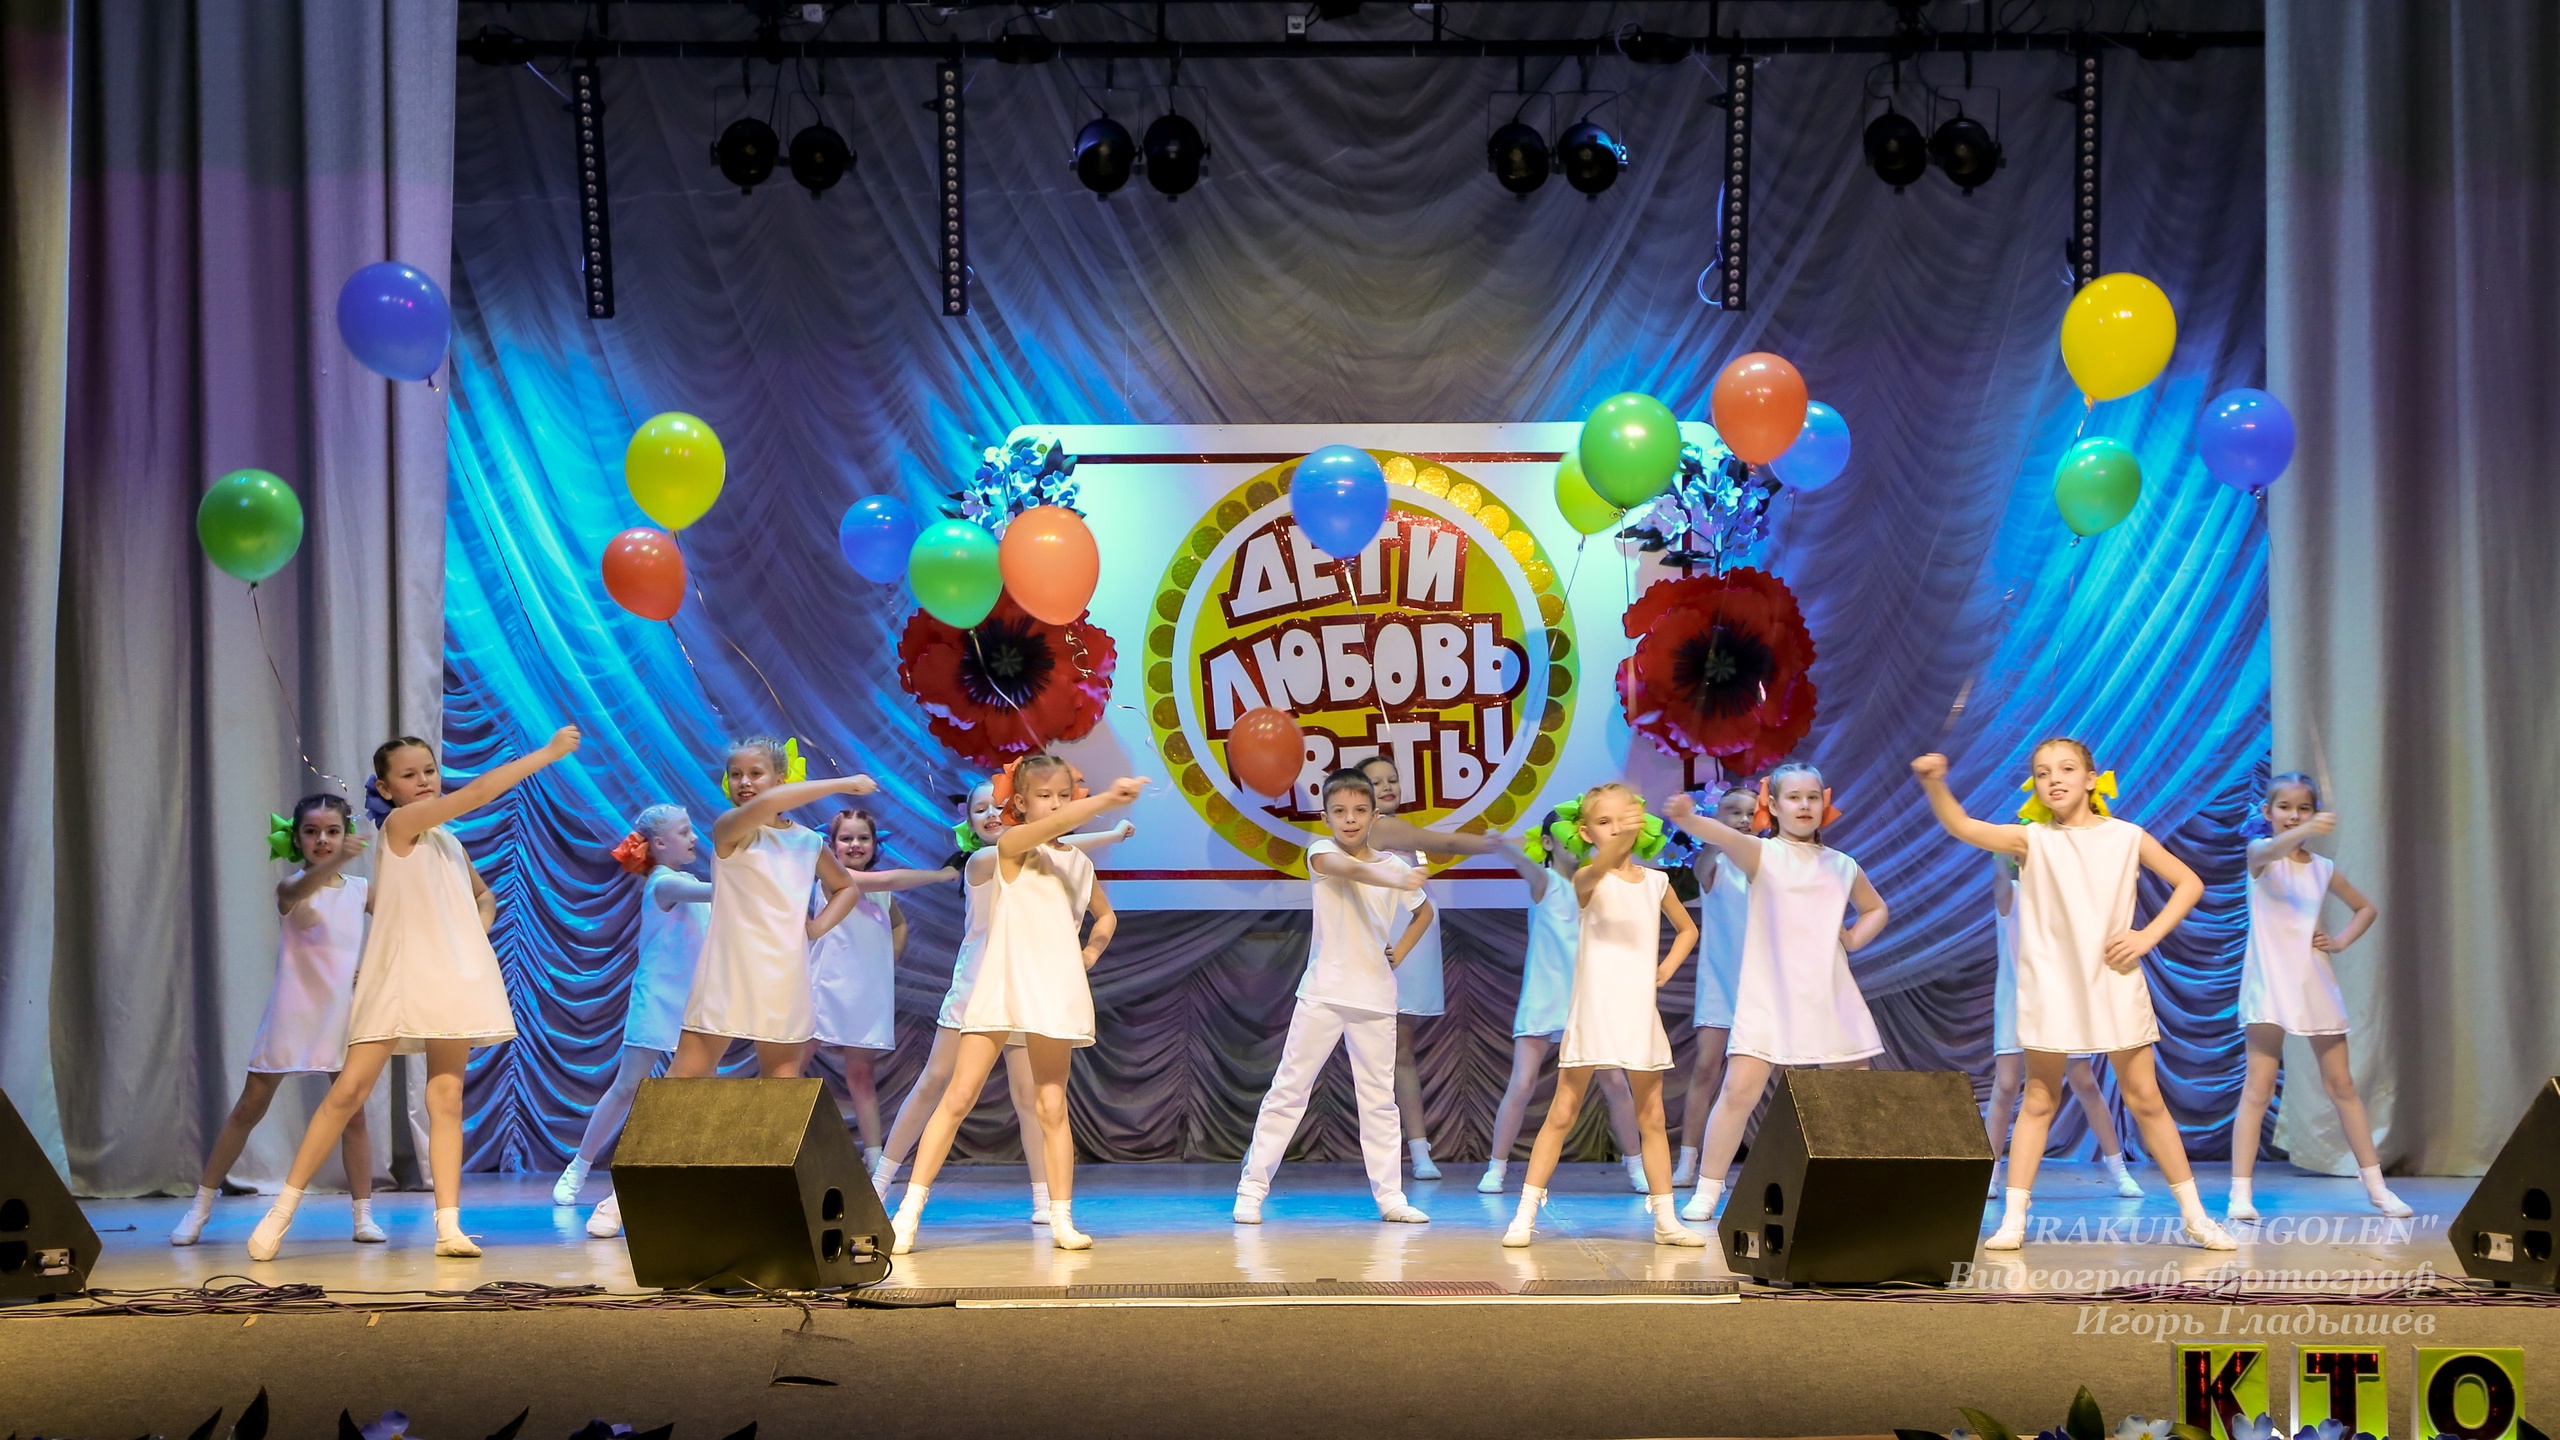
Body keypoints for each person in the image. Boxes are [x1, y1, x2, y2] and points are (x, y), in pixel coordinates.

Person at [248, 727, 581, 1260]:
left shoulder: (448, 841)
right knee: (348, 1092)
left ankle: (448, 1226)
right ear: (386, 789)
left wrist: (471, 934)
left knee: (446, 1097)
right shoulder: (401, 826)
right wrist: (547, 754)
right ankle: (281, 1212)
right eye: (409, 775)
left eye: (429, 770)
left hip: (449, 978)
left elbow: (485, 896)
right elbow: (477, 793)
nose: (424, 780)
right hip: (400, 977)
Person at [1911, 743, 2235, 1251]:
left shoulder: (2126, 836)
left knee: (2145, 1098)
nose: (2054, 779)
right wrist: (1935, 784)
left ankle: (2196, 1217)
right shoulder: (2031, 839)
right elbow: (1964, 826)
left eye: (2066, 769)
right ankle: (2014, 1218)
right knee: (2040, 1098)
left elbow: (2188, 883)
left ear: (2090, 779)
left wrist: (2147, 936)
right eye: (2042, 773)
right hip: (2051, 987)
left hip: (2113, 979)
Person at [584, 738, 876, 1240]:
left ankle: (771, 1202)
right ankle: (623, 1196)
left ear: (780, 777)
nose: (744, 782)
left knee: (780, 1092)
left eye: (756, 773)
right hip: (727, 971)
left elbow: (846, 887)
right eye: (736, 773)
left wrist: (814, 928)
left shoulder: (808, 843)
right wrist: (844, 783)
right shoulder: (730, 830)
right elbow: (767, 807)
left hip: (782, 976)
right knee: (680, 1087)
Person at [889, 756, 1140, 1254]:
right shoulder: (1010, 848)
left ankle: (1061, 1217)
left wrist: (1088, 954)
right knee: (959, 1096)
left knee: (1051, 1103)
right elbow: (1048, 831)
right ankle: (908, 1212)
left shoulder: (1078, 862)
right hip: (1000, 987)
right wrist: (1109, 801)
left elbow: (1106, 916)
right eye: (1044, 796)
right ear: (1020, 803)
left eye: (1064, 795)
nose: (1056, 805)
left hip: (1051, 993)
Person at [1664, 765, 1890, 1222]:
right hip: (1769, 992)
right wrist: (1687, 818)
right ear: (1774, 805)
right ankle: (1707, 1190)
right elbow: (1719, 834)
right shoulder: (1763, 854)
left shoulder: (1842, 865)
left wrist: (1852, 938)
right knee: (1738, 1090)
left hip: (1829, 991)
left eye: (1812, 797)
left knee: (1852, 1094)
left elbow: (1876, 908)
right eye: (1794, 797)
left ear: (1824, 803)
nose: (1804, 805)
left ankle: (1851, 1184)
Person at [1499, 783, 1705, 1249]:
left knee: (1652, 1115)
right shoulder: (1586, 879)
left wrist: (1666, 969)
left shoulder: (1656, 882)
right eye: (1604, 822)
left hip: (1637, 1011)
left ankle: (1666, 1219)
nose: (1616, 829)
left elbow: (1687, 929)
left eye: (1624, 819)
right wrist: (1620, 838)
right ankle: (1525, 1213)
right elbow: (1599, 870)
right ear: (1586, 832)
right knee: (1562, 1111)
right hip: (1593, 1010)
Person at [171, 795, 380, 1247]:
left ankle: (363, 1216)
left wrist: (372, 969)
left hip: (341, 1014)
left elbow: (396, 926)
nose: (322, 840)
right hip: (293, 1011)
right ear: (296, 838)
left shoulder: (361, 889)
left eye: (332, 831)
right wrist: (337, 860)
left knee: (354, 1115)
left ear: (346, 833)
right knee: (249, 1107)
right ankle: (199, 1208)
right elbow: (300, 892)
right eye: (311, 832)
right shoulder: (291, 886)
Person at [1235, 769, 1436, 1226]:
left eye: (1360, 811)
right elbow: (1348, 869)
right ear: (1326, 817)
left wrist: (1400, 951)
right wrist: (1397, 880)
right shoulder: (1321, 852)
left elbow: (1424, 912)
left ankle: (1391, 1198)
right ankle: (1251, 1190)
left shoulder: (1395, 867)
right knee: (1289, 1090)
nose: (1350, 819)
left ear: (1374, 815)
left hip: (1375, 996)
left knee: (1379, 1101)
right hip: (1323, 993)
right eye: (1340, 811)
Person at [2228, 773, 2408, 1221]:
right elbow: (2272, 850)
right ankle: (2239, 1194)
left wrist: (2341, 941)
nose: (2293, 815)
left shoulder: (2322, 868)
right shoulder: (2260, 854)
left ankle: (2378, 1190)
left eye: (2303, 808)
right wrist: (2307, 829)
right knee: (2257, 1088)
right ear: (2267, 812)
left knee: (2342, 1086)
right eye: (2285, 807)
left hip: (2313, 982)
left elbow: (2366, 908)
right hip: (2269, 984)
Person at [1480, 811, 1649, 1196]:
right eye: (1566, 834)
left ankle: (1636, 1165)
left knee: (1615, 1083)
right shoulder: (1547, 882)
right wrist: (1502, 846)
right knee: (1522, 1082)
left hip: (1590, 1000)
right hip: (1545, 997)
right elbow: (1524, 865)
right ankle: (1496, 1168)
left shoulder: (1600, 885)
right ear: (1547, 842)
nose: (1576, 841)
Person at [552, 805, 709, 1213]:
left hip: (695, 999)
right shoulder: (664, 883)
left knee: (692, 1091)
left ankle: (674, 1174)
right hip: (657, 997)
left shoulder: (687, 879)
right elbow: (718, 892)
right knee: (627, 1086)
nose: (694, 837)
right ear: (659, 844)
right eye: (684, 831)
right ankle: (578, 1167)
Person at [1355, 754, 1504, 1182]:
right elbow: (1449, 844)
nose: (1387, 787)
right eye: (1376, 782)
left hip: (1410, 946)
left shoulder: (1395, 832)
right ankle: (1399, 1152)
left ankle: (1419, 1151)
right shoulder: (1382, 827)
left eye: (1392, 779)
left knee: (1400, 1052)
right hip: (1386, 946)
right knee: (1382, 1054)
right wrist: (1495, 843)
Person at [1984, 852, 2146, 1200]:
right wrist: (2002, 852)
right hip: (2017, 1002)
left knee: (2084, 1082)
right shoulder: (2012, 893)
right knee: (2007, 1086)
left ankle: (2119, 1171)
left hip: (2059, 1003)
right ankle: (1990, 1174)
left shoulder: (2063, 899)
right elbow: (2002, 884)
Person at [806, 807, 944, 1169]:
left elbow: (899, 924)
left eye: (863, 838)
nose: (855, 844)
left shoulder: (880, 892)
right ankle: (774, 1140)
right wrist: (941, 874)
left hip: (865, 993)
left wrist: (888, 958)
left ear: (874, 843)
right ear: (832, 845)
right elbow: (889, 881)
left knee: (861, 1075)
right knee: (792, 1065)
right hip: (824, 987)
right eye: (846, 838)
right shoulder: (834, 878)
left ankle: (874, 1156)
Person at [1673, 785, 1758, 1188]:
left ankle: (1745, 1161)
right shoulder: (1714, 860)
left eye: (1751, 813)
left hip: (1761, 984)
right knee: (1707, 1067)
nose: (1743, 820)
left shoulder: (1769, 859)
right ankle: (1688, 1161)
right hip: (1720, 980)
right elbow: (1701, 870)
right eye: (1733, 812)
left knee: (1762, 1075)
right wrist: (1708, 831)